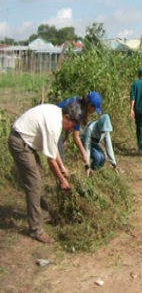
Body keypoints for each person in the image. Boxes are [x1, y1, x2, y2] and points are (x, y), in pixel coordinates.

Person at [8, 102, 82, 243]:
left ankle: (43, 214)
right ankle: (36, 230)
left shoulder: (56, 114)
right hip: (19, 142)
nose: (71, 128)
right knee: (34, 182)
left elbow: (53, 150)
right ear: (67, 117)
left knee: (38, 175)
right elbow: (51, 161)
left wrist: (62, 167)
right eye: (72, 125)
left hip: (25, 142)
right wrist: (62, 180)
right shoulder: (54, 125)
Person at [58, 91, 102, 166]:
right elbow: (76, 137)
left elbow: (69, 122)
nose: (94, 111)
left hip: (58, 123)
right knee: (60, 160)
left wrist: (66, 138)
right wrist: (84, 153)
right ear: (90, 106)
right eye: (94, 109)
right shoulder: (78, 111)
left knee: (58, 157)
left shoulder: (78, 101)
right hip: (53, 124)